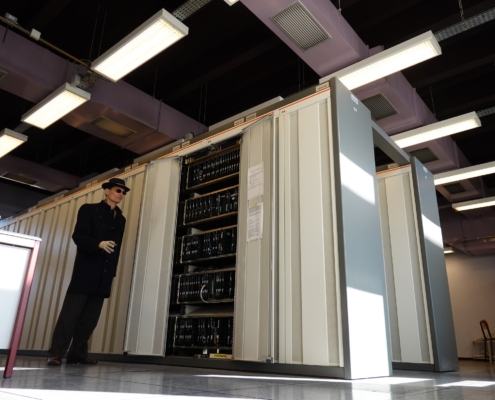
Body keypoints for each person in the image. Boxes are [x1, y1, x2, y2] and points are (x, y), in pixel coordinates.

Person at [47, 178, 129, 366]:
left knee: (90, 318)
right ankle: (56, 353)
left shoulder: (121, 219)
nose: (121, 194)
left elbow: (117, 248)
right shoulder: (88, 210)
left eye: (124, 192)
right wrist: (98, 244)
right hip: (85, 271)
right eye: (118, 190)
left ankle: (77, 354)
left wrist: (112, 272)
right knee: (70, 315)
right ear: (107, 191)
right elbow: (78, 236)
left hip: (104, 273)